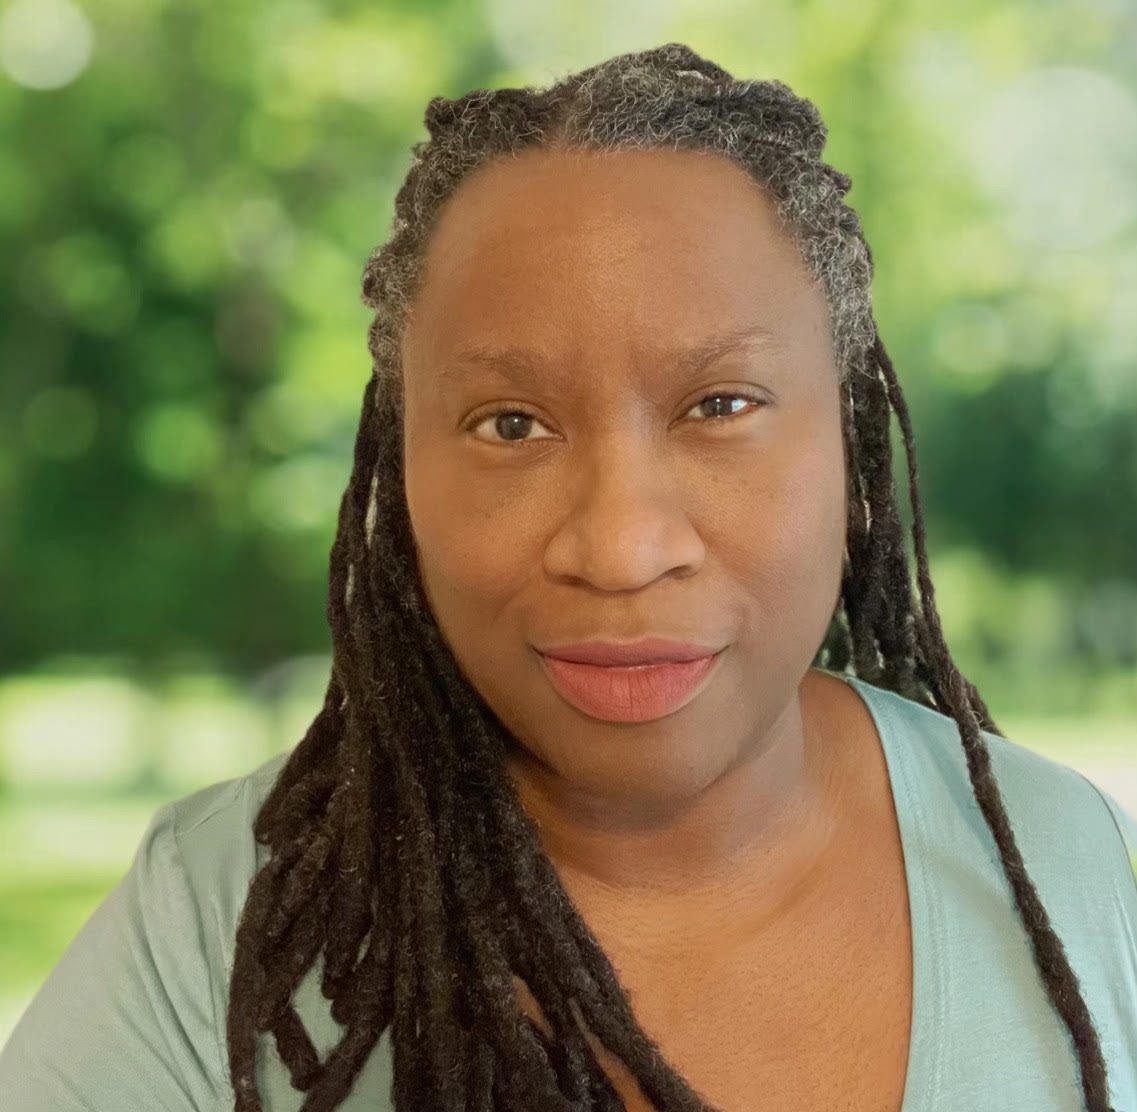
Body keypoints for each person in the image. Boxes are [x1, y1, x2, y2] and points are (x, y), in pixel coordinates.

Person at [1, 41, 1134, 1112]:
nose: (621, 546)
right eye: (511, 422)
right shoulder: (215, 923)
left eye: (721, 405)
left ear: (851, 443)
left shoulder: (1072, 866)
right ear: (399, 474)